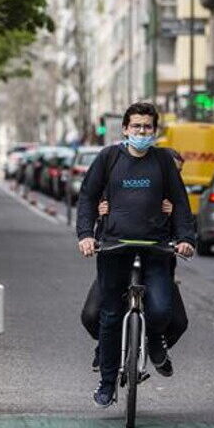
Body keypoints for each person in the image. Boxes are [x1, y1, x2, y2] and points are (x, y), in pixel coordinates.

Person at [76, 102, 195, 408]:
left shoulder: (163, 162)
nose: (142, 132)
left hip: (156, 250)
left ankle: (154, 341)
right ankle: (106, 385)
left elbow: (180, 203)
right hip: (114, 248)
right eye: (137, 127)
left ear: (154, 131)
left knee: (161, 310)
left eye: (147, 127)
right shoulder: (109, 158)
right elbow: (88, 196)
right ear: (126, 129)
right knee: (109, 315)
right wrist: (86, 235)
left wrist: (185, 239)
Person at [80, 147, 189, 373]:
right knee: (92, 315)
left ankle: (154, 342)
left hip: (158, 262)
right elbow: (93, 201)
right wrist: (97, 222)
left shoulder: (176, 199)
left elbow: (187, 225)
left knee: (176, 321)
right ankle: (106, 345)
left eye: (177, 173)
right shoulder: (120, 180)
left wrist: (182, 235)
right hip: (117, 256)